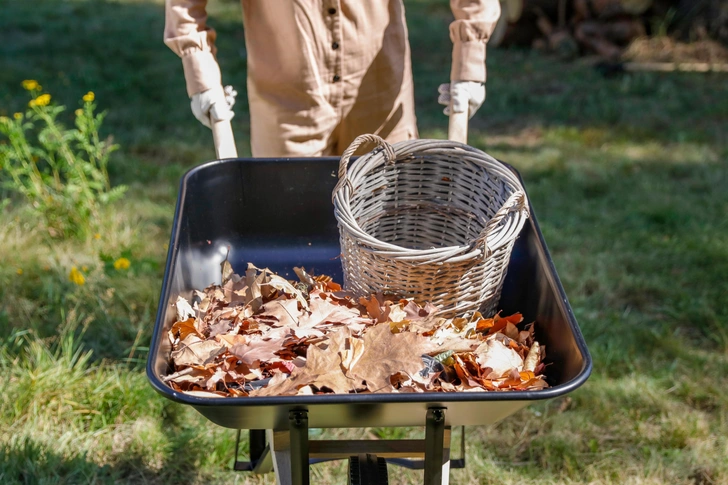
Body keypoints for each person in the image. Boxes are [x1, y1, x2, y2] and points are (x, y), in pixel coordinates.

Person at [164, 0, 501, 157]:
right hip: (288, 102)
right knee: (289, 240)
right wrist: (201, 73)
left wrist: (470, 59)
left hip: (381, 97)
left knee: (389, 237)